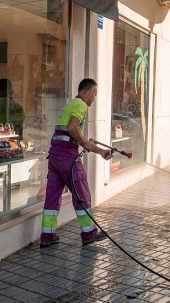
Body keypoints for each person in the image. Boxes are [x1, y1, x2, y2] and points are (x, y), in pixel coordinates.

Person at [40, 78, 112, 248]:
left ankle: (47, 236)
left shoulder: (70, 105)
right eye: (95, 94)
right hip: (67, 157)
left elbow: (69, 133)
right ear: (89, 92)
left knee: (52, 197)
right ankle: (89, 233)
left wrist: (100, 150)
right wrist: (85, 142)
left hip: (55, 157)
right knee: (82, 193)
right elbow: (73, 129)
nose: (94, 99)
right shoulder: (81, 105)